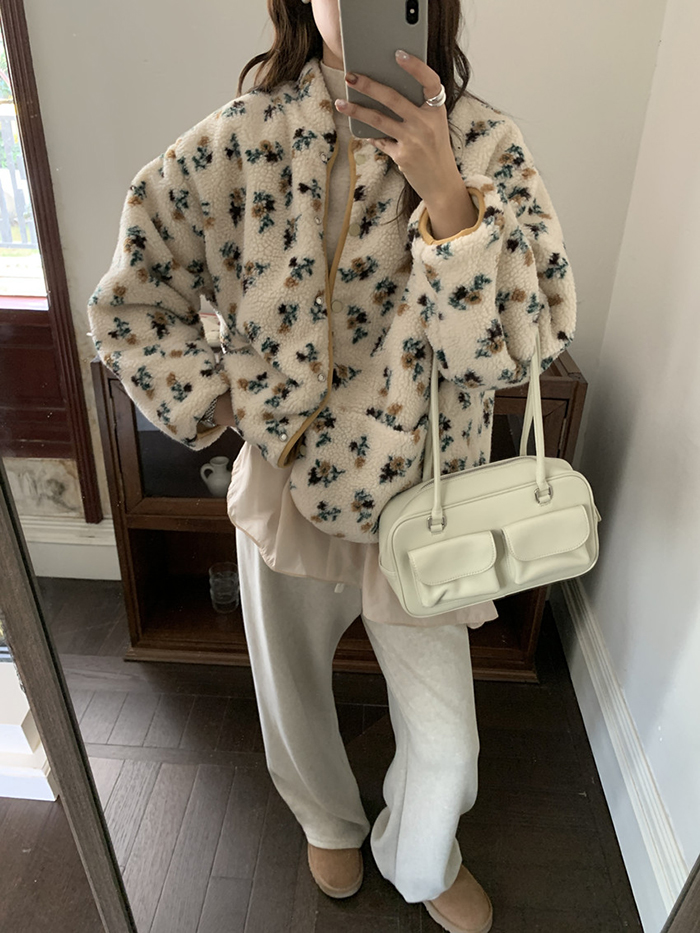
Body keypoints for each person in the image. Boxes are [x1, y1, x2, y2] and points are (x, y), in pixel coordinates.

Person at [86, 1, 577, 930]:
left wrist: (450, 201)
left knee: (448, 746)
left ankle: (418, 855)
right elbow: (130, 301)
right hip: (292, 481)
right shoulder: (241, 138)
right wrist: (225, 404)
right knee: (292, 687)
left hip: (427, 496)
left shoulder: (486, 144)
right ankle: (327, 816)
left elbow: (525, 344)